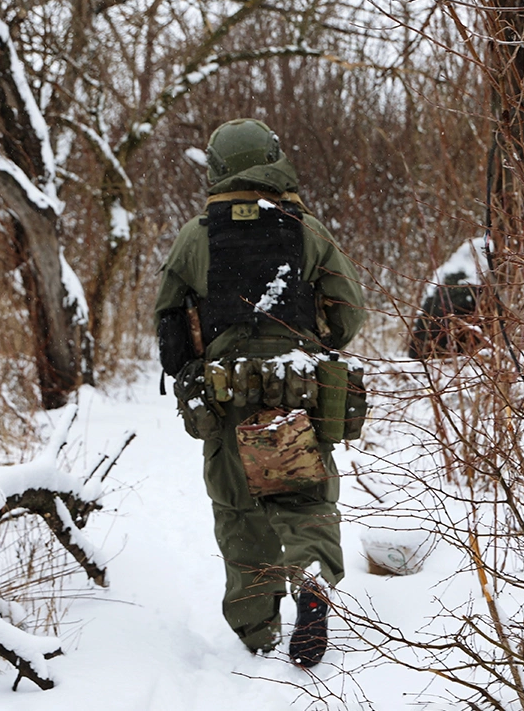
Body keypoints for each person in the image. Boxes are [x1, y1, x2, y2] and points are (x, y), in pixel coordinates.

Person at [154, 118, 366, 667]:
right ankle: (311, 581)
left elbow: (169, 322)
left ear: (219, 169)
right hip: (297, 386)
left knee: (238, 507)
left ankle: (257, 633)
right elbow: (350, 313)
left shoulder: (195, 235)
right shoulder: (306, 230)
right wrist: (317, 339)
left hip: (225, 393)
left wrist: (191, 368)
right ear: (273, 161)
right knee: (305, 498)